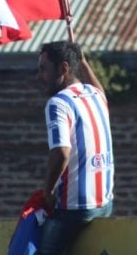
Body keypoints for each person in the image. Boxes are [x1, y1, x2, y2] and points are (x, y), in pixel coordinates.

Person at [36, 41, 114, 255]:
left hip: (74, 210)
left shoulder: (58, 103)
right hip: (105, 205)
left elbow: (61, 153)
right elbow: (101, 90)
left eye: (44, 69)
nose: (39, 75)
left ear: (63, 69)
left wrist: (48, 190)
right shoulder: (95, 96)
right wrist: (84, 62)